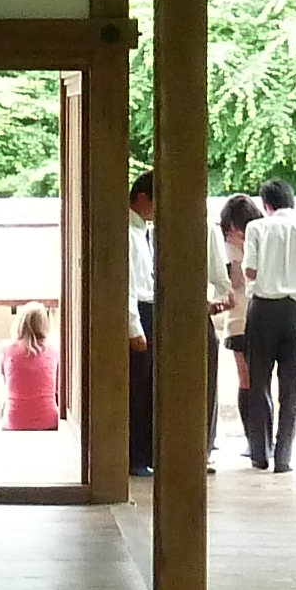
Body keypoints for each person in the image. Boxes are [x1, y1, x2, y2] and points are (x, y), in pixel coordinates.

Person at [240, 176, 296, 474]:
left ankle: (260, 452)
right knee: (292, 387)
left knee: (259, 382)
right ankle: (284, 457)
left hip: (263, 309)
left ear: (266, 205)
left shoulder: (257, 228)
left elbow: (250, 269)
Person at [216, 192, 263, 470]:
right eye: (231, 227)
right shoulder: (225, 247)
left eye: (239, 227)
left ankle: (263, 439)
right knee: (245, 380)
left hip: (260, 314)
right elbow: (232, 282)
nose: (235, 233)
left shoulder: (261, 238)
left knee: (262, 380)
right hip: (237, 319)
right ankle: (251, 439)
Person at [125, 170, 160, 477]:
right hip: (140, 313)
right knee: (137, 389)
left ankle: (144, 453)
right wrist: (134, 327)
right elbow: (129, 286)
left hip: (149, 310)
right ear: (142, 198)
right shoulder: (128, 232)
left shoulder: (142, 231)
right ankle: (135, 456)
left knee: (148, 389)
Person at [1, 304, 61, 432]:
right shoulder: (54, 349)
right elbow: (57, 388)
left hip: (14, 421)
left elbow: (8, 382)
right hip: (48, 420)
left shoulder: (5, 349)